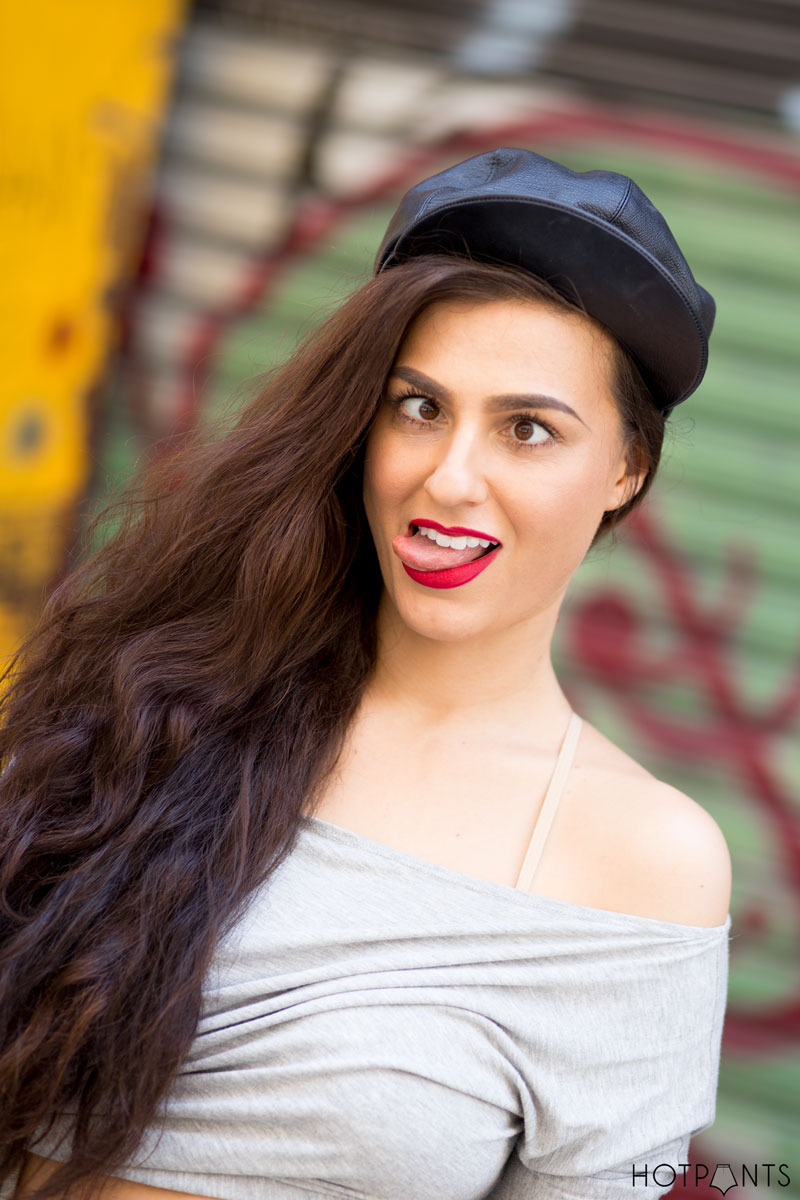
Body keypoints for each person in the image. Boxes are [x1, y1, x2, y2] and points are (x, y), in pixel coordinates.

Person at [1, 147, 732, 1200]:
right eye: (418, 407)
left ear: (624, 469)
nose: (448, 476)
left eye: (526, 429)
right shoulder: (170, 699)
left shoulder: (641, 862)